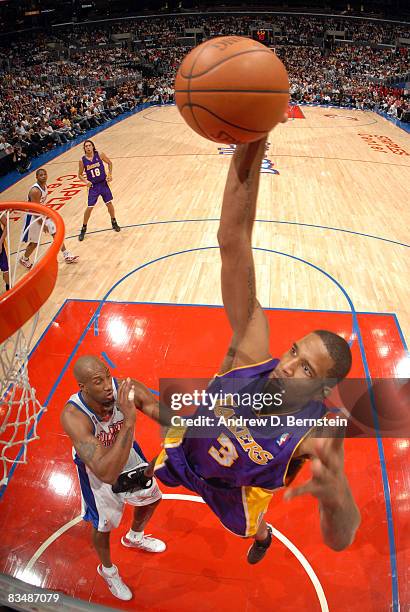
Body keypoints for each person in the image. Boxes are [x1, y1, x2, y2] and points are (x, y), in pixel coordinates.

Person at [122, 132, 361, 564]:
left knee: (246, 527)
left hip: (238, 492)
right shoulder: (251, 354)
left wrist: (338, 499)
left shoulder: (315, 435)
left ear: (322, 392)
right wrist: (252, 140)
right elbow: (232, 242)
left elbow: (342, 537)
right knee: (174, 440)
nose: (288, 366)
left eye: (307, 370)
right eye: (293, 352)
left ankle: (262, 537)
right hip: (189, 449)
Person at [60, 356, 166, 601]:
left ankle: (134, 537)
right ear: (83, 387)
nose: (108, 384)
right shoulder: (73, 416)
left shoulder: (126, 390)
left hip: (126, 452)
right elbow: (106, 473)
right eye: (99, 381)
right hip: (95, 468)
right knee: (103, 525)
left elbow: (166, 417)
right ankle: (108, 570)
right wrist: (128, 420)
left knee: (152, 499)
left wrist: (205, 423)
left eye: (108, 375)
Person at [19, 168, 79, 269]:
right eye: (41, 175)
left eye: (44, 174)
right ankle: (24, 259)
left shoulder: (44, 186)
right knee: (34, 243)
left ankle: (66, 254)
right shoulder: (35, 191)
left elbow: (40, 205)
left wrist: (46, 214)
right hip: (32, 217)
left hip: (41, 213)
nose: (43, 176)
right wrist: (42, 224)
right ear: (36, 177)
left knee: (55, 232)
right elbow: (34, 209)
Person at [77, 140, 120, 241]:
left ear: (93, 146)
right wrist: (85, 181)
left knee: (109, 203)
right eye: (86, 146)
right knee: (89, 207)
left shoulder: (100, 154)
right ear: (84, 148)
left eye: (89, 145)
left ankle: (114, 222)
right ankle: (83, 228)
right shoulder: (82, 160)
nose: (88, 147)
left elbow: (110, 163)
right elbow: (79, 175)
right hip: (93, 187)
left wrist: (110, 174)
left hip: (103, 184)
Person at [0, 216, 10, 292]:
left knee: (6, 271)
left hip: (1, 247)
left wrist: (1, 241)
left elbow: (7, 225)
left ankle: (9, 289)